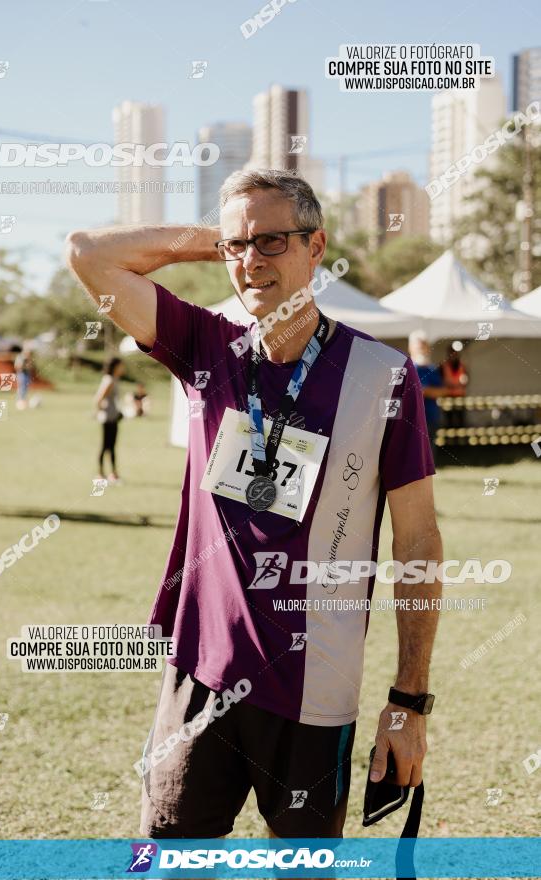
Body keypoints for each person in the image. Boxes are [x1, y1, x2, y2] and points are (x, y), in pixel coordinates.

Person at [67, 169, 443, 840]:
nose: (250, 262)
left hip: (315, 687)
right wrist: (224, 238)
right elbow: (89, 253)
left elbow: (416, 540)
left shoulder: (383, 375)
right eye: (237, 247)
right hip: (199, 673)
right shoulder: (206, 344)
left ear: (316, 246)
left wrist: (408, 700)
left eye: (273, 242)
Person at [408, 330, 445, 462]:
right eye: (418, 346)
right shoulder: (405, 368)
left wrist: (424, 391)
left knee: (428, 454)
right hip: (410, 418)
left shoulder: (432, 368)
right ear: (410, 347)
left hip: (430, 416)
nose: (421, 349)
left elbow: (441, 391)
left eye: (423, 345)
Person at [95, 357, 124, 484]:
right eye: (121, 366)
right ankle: (101, 474)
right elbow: (98, 399)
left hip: (113, 417)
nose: (123, 368)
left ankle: (113, 473)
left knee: (111, 446)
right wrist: (102, 411)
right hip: (108, 418)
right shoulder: (109, 380)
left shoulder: (115, 380)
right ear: (115, 367)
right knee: (106, 446)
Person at [441, 341, 469, 428]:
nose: (454, 354)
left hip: (460, 396)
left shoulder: (462, 365)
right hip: (447, 396)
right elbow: (440, 381)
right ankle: (449, 441)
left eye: (456, 352)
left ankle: (461, 441)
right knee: (449, 422)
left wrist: (463, 382)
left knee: (461, 421)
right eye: (452, 352)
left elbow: (467, 380)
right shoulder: (443, 366)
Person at [14, 345, 34, 410]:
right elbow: (18, 366)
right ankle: (20, 402)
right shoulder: (21, 357)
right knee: (21, 388)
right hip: (22, 374)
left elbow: (30, 366)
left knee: (25, 388)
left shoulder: (28, 358)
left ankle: (24, 402)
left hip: (27, 374)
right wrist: (25, 366)